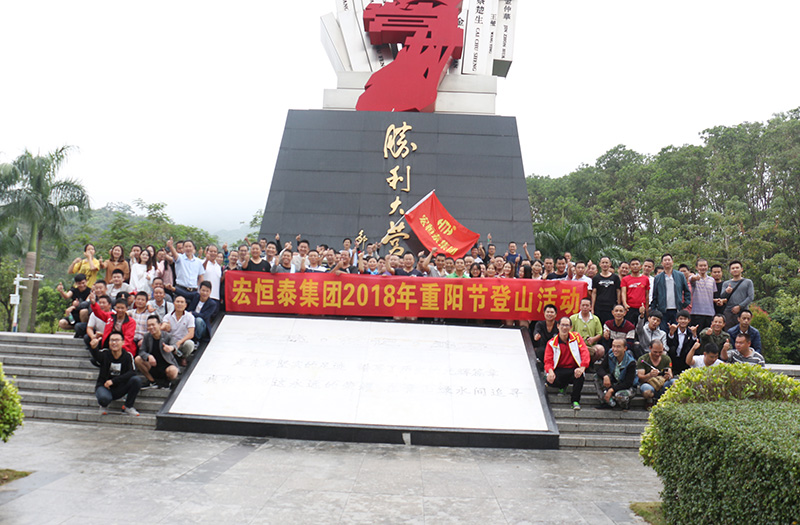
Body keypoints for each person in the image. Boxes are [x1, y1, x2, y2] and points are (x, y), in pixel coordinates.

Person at [544, 317, 590, 411]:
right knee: (549, 380)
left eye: (567, 325)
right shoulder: (552, 342)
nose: (564, 328)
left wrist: (582, 367)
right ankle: (562, 386)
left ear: (570, 327)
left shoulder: (576, 337)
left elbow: (584, 352)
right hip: (559, 370)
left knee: (580, 376)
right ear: (558, 326)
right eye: (562, 325)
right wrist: (550, 371)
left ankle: (575, 400)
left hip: (573, 369)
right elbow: (548, 360)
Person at [94, 331, 141, 416]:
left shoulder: (127, 356)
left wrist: (113, 381)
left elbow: (132, 372)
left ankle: (128, 406)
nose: (114, 343)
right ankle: (103, 405)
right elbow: (96, 356)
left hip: (120, 388)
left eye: (117, 340)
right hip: (104, 387)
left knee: (136, 380)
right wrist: (93, 348)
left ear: (123, 342)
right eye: (112, 340)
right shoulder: (105, 354)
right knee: (104, 398)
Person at [135, 315, 180, 389]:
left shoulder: (167, 336)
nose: (151, 327)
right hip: (153, 365)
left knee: (173, 371)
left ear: (159, 325)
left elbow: (175, 346)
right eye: (149, 325)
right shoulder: (147, 336)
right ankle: (152, 381)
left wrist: (170, 348)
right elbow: (142, 351)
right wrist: (148, 356)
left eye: (153, 325)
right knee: (138, 359)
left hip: (166, 365)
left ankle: (167, 382)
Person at [650, 253, 691, 330]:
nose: (667, 262)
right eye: (665, 260)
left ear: (672, 262)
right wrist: (653, 309)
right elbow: (655, 294)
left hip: (677, 309)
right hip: (662, 309)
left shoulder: (680, 275)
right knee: (663, 330)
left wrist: (685, 303)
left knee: (676, 330)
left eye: (669, 260)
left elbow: (686, 291)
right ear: (662, 263)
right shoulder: (658, 278)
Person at [595, 338, 638, 410]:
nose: (615, 349)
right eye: (613, 346)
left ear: (625, 348)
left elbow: (628, 383)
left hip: (627, 387)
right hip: (614, 382)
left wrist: (611, 390)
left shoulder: (631, 362)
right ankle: (605, 401)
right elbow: (600, 368)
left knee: (620, 396)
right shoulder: (610, 354)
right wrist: (605, 376)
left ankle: (623, 405)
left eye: (618, 347)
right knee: (597, 377)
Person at [637, 340, 675, 408]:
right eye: (655, 352)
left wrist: (668, 376)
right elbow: (640, 377)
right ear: (650, 348)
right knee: (647, 391)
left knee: (675, 382)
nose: (657, 354)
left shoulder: (666, 359)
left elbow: (670, 374)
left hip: (663, 383)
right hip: (648, 384)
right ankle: (649, 401)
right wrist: (650, 375)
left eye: (660, 352)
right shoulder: (643, 359)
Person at [161, 295, 195, 366]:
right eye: (177, 302)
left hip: (182, 341)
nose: (179, 304)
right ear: (174, 303)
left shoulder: (189, 317)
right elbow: (164, 325)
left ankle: (183, 357)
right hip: (171, 341)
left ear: (185, 305)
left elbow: (191, 333)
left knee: (189, 344)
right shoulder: (167, 316)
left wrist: (180, 342)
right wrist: (164, 327)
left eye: (182, 302)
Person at [720, 260, 755, 330]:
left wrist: (739, 306)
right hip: (729, 312)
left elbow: (750, 297)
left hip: (743, 312)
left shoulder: (748, 282)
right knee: (729, 332)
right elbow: (722, 297)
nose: (735, 270)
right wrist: (727, 292)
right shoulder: (726, 283)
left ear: (741, 269)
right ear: (730, 270)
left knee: (743, 332)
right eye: (733, 268)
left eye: (737, 268)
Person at [570, 297, 604, 362]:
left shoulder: (595, 319)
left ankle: (590, 363)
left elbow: (600, 333)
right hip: (576, 345)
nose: (585, 307)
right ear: (580, 306)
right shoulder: (573, 318)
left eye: (587, 305)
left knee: (600, 349)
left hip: (591, 346)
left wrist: (593, 339)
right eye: (583, 305)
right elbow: (569, 333)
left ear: (591, 307)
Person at [665, 309, 698, 376]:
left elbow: (693, 346)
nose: (683, 321)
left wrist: (694, 334)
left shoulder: (690, 332)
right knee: (672, 349)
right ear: (677, 320)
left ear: (689, 320)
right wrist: (671, 333)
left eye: (685, 319)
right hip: (673, 358)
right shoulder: (673, 329)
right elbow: (669, 344)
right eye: (681, 319)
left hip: (684, 359)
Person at [687, 259, 716, 332]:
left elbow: (712, 295)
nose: (703, 267)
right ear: (696, 267)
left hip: (710, 313)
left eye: (705, 265)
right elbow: (691, 279)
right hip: (696, 312)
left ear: (707, 267)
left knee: (708, 335)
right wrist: (695, 278)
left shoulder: (712, 280)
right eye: (700, 266)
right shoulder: (694, 278)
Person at [591, 256, 621, 326]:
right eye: (603, 263)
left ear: (610, 264)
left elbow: (618, 292)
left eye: (606, 263)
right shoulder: (596, 278)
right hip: (599, 307)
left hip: (611, 307)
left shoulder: (615, 278)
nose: (605, 264)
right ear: (600, 264)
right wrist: (592, 308)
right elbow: (594, 293)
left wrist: (618, 304)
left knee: (610, 326)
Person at [84, 294, 112, 366]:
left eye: (104, 303)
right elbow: (89, 328)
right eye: (100, 303)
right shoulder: (94, 314)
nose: (101, 305)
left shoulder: (114, 314)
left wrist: (103, 335)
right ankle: (96, 357)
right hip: (98, 336)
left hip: (109, 337)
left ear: (109, 305)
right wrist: (93, 336)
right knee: (87, 337)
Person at [621, 258, 649, 325]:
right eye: (633, 264)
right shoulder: (625, 279)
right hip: (629, 308)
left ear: (640, 266)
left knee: (641, 328)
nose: (635, 266)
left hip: (641, 308)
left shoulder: (645, 279)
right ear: (630, 267)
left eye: (637, 264)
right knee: (629, 327)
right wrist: (625, 304)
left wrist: (646, 309)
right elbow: (623, 292)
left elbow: (647, 295)